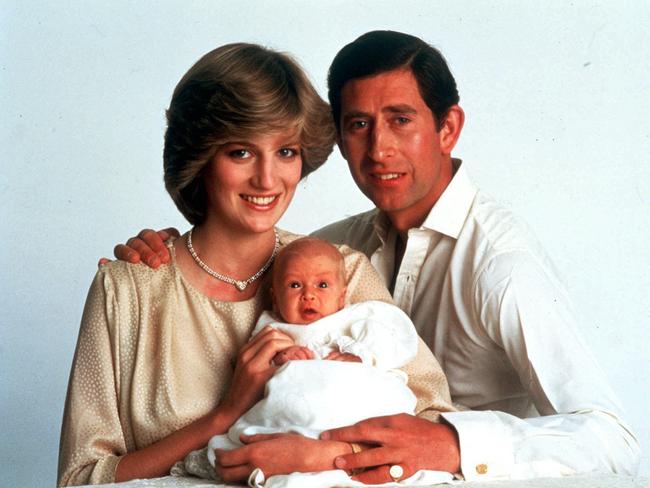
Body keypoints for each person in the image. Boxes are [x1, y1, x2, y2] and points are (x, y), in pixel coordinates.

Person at [113, 30, 641, 482]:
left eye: (401, 119)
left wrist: (455, 445)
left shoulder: (500, 266)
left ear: (449, 127)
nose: (379, 149)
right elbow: (243, 254)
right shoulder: (334, 250)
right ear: (338, 140)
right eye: (359, 124)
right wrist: (166, 249)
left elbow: (614, 439)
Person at [58, 42, 452, 487]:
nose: (268, 180)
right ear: (200, 158)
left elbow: (434, 425)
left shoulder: (342, 270)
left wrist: (328, 455)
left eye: (285, 152)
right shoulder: (127, 289)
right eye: (240, 152)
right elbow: (80, 479)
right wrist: (223, 415)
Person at [175, 237, 454, 487]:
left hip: (356, 401)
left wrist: (361, 355)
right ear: (275, 298)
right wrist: (282, 357)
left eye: (322, 285)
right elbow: (252, 370)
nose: (309, 295)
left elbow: (398, 339)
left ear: (342, 295)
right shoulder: (273, 327)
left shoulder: (355, 317)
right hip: (298, 410)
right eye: (295, 285)